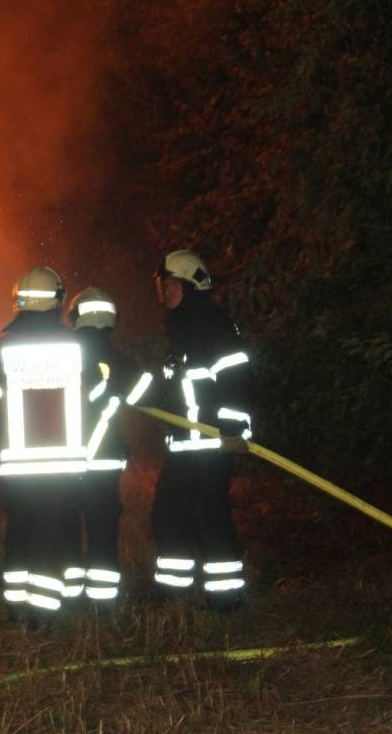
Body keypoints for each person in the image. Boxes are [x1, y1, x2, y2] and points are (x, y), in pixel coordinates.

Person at [0, 265, 86, 627]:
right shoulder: (79, 347)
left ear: (18, 302)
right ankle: (44, 621)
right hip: (65, 469)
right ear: (58, 301)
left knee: (20, 534)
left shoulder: (0, 351)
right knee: (53, 539)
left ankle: (17, 611)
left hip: (18, 473)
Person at [136, 249, 253, 610]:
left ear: (188, 286)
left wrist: (233, 429)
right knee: (168, 515)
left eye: (170, 285)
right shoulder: (183, 328)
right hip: (186, 446)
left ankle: (227, 600)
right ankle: (174, 591)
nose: (164, 292)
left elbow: (236, 375)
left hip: (212, 444)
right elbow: (179, 391)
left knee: (210, 518)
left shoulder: (211, 324)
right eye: (163, 285)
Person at [67, 286, 140, 607]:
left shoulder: (60, 357)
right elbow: (145, 395)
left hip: (65, 462)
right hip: (104, 462)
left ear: (75, 317)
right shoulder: (118, 361)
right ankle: (102, 605)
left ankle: (68, 600)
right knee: (102, 532)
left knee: (66, 528)